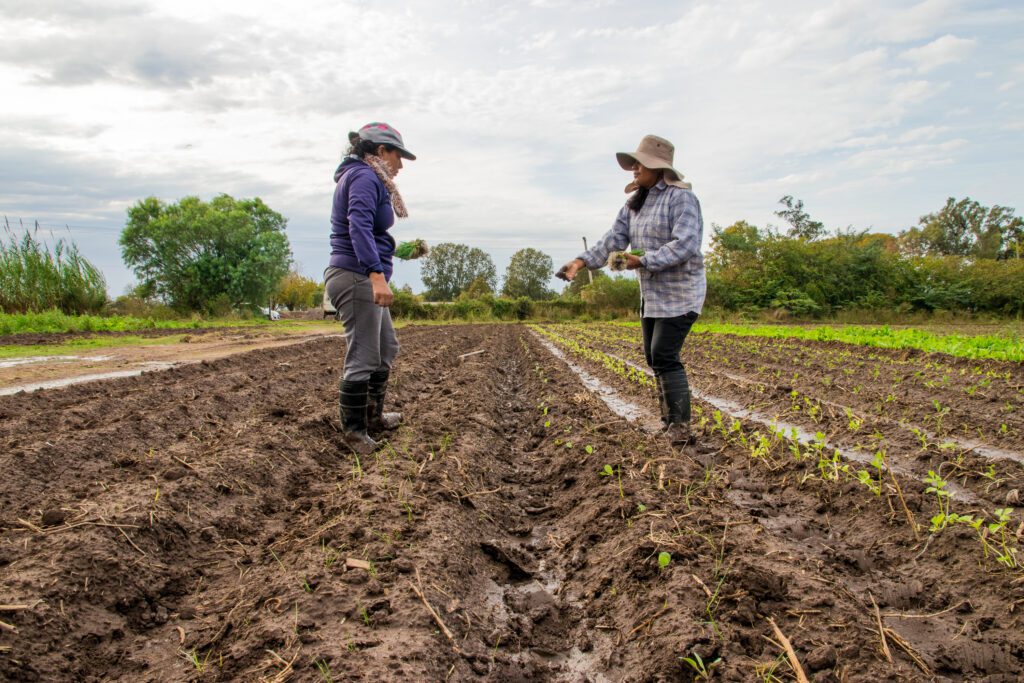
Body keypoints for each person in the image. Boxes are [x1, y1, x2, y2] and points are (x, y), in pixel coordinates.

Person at [557, 134, 705, 446]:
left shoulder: (682, 199)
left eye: (640, 163)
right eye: (634, 163)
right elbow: (613, 239)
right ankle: (669, 423)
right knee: (654, 358)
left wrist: (644, 260)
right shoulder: (634, 203)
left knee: (665, 354)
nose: (634, 168)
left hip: (681, 293)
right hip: (651, 295)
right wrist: (580, 262)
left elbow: (686, 244)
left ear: (658, 167)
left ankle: (680, 427)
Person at [324, 122, 416, 455]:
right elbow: (358, 225)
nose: (400, 165)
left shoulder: (367, 177)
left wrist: (402, 252)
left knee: (386, 347)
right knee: (363, 355)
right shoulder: (364, 177)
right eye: (397, 156)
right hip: (354, 275)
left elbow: (374, 235)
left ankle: (373, 416)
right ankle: (355, 433)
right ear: (380, 151)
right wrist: (376, 275)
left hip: (360, 272)